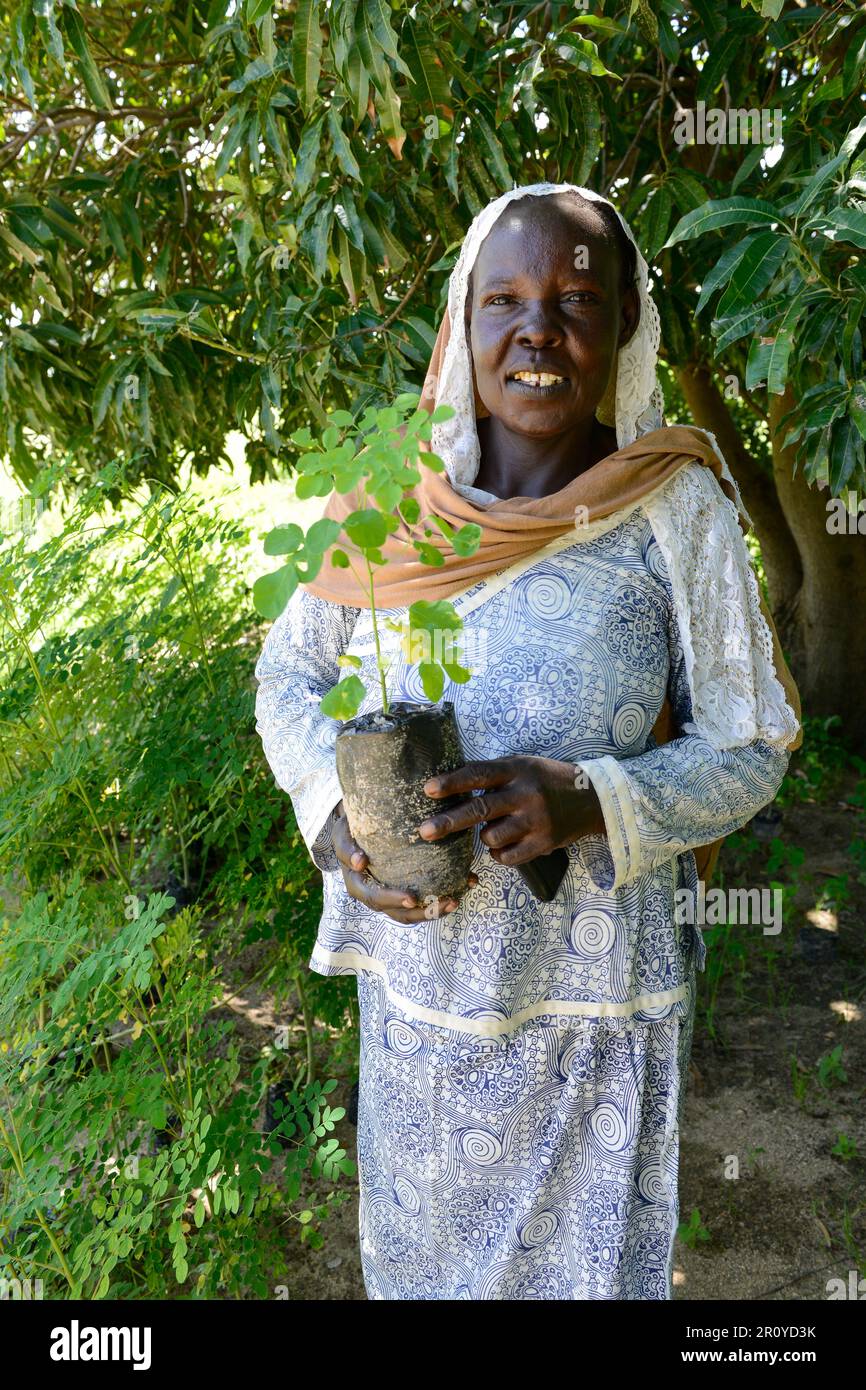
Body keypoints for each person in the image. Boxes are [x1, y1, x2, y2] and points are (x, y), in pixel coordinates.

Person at [254, 182, 802, 1300]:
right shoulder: (389, 505)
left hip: (595, 1012)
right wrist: (330, 818)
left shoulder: (671, 509)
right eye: (501, 298)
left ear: (625, 327)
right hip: (421, 1002)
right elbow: (287, 674)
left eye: (574, 299)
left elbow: (752, 742)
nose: (536, 329)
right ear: (462, 324)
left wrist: (586, 797)